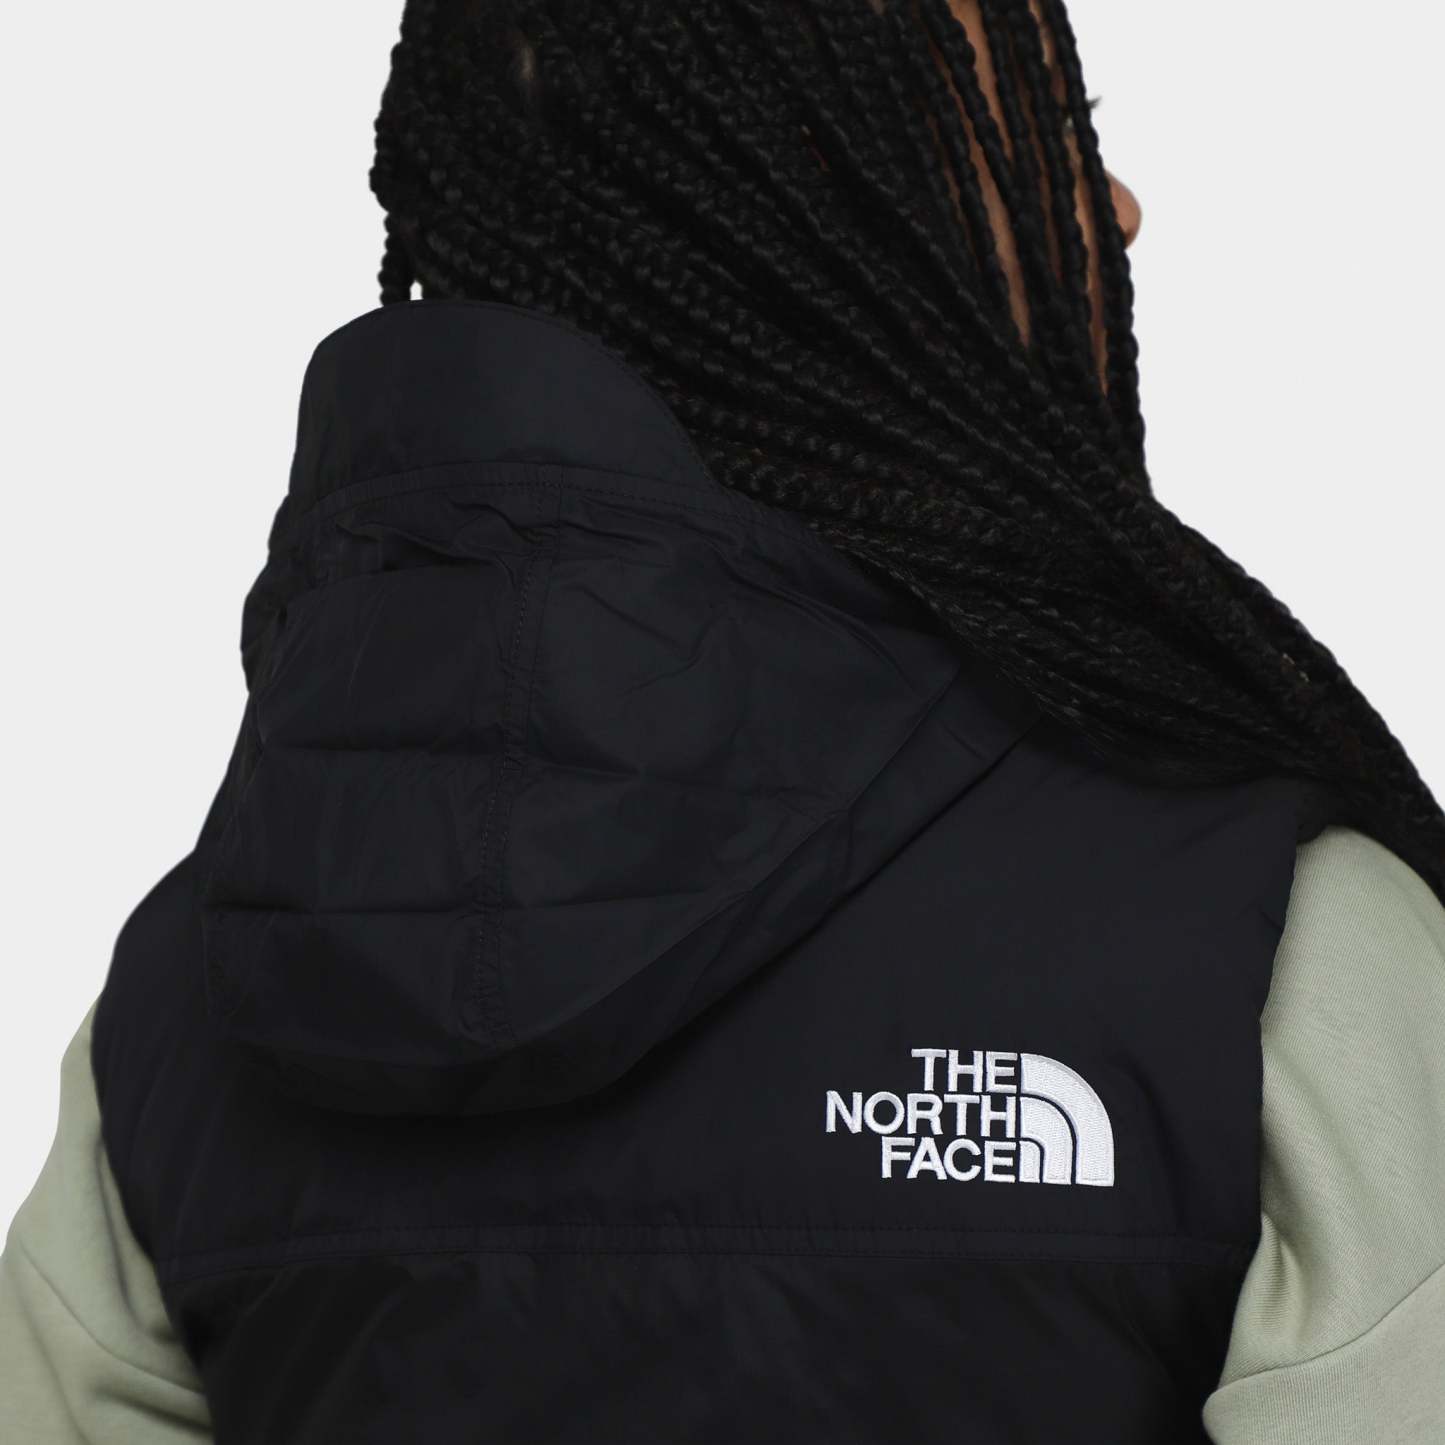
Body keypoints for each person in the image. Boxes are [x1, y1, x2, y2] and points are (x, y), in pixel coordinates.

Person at [2, 1, 1442, 1441]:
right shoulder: (1277, 954)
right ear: (814, 193)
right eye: (1042, 138)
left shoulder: (181, 1005)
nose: (1113, 209)